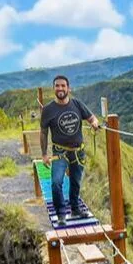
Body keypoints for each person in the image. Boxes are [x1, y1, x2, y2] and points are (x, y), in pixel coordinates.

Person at [40, 75, 100, 226]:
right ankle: (61, 214)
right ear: (54, 88)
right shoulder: (48, 110)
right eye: (57, 86)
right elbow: (43, 132)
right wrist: (44, 154)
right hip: (59, 152)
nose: (60, 88)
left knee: (75, 181)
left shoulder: (77, 104)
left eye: (63, 86)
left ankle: (75, 209)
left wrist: (94, 123)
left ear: (68, 88)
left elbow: (91, 117)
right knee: (56, 182)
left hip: (78, 152)